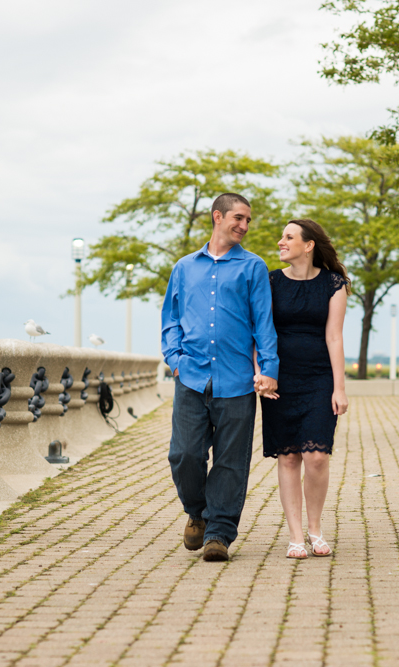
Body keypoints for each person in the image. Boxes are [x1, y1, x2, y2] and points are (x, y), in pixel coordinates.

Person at [161, 192, 279, 562]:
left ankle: (219, 534)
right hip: (191, 377)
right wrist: (174, 358)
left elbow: (264, 324)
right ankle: (197, 513)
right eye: (238, 218)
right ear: (218, 216)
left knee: (231, 462)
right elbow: (171, 318)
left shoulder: (253, 267)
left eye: (247, 220)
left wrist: (270, 370)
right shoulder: (184, 267)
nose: (243, 226)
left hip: (237, 381)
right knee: (184, 455)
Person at [256, 219, 349, 559]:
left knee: (317, 457)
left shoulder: (333, 284)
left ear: (308, 245)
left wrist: (339, 388)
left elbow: (334, 336)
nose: (281, 242)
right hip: (281, 378)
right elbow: (258, 333)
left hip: (319, 378)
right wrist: (261, 375)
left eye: (289, 237)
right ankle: (296, 536)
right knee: (289, 456)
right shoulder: (269, 282)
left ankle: (315, 528)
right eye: (282, 237)